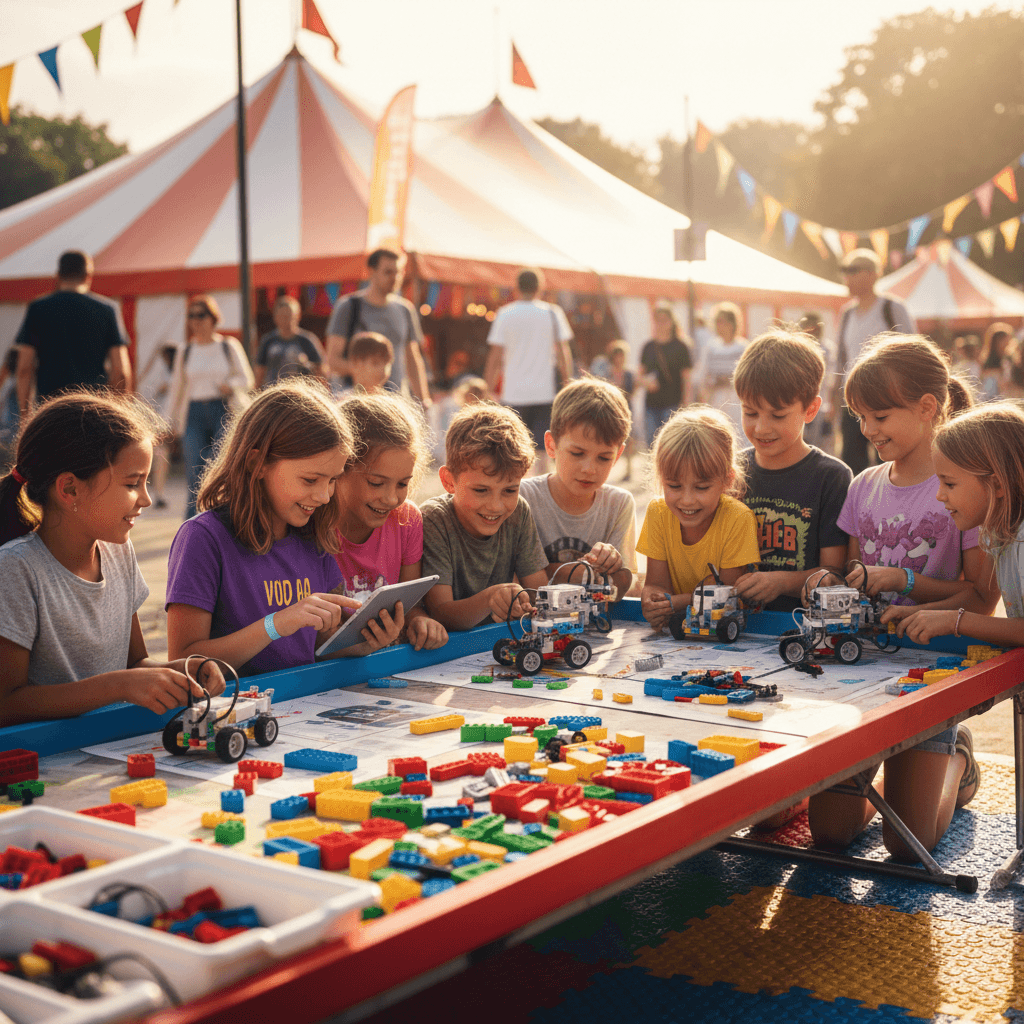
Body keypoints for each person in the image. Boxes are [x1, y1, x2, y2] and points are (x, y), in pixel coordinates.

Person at [809, 334, 1000, 861]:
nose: (867, 430)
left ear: (927, 408)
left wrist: (904, 582)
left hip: (928, 678)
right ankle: (888, 782)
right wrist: (833, 585)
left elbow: (981, 599)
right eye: (860, 417)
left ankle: (957, 761)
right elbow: (853, 577)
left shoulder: (962, 490)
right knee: (829, 833)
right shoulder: (862, 485)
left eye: (880, 417)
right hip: (860, 674)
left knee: (908, 847)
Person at [0, 392, 224, 726]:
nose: (146, 499)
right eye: (133, 483)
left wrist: (182, 669)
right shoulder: (16, 569)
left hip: (110, 747)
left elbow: (135, 665)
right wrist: (117, 685)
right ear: (70, 490)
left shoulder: (118, 551)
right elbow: (7, 704)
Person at [165, 380, 396, 676]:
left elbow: (316, 648)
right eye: (310, 480)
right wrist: (277, 624)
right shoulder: (203, 539)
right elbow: (184, 661)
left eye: (332, 479)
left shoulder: (315, 535)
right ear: (257, 463)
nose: (324, 496)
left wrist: (365, 642)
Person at [887, 401, 1024, 654]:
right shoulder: (998, 530)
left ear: (997, 486)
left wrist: (955, 621)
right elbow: (981, 598)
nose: (939, 496)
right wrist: (915, 614)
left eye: (949, 484)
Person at [731, 330, 852, 613]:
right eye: (750, 413)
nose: (761, 428)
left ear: (811, 410)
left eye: (778, 415)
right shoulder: (731, 471)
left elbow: (833, 574)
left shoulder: (832, 478)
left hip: (803, 624)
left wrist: (782, 582)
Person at [333, 391, 448, 651]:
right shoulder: (316, 527)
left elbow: (409, 606)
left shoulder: (406, 520)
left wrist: (420, 622)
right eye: (376, 483)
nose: (391, 498)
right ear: (340, 469)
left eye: (403, 484)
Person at [420, 402, 549, 630]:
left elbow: (540, 595)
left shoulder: (518, 511)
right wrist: (491, 599)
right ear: (449, 481)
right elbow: (440, 612)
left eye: (510, 490)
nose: (496, 506)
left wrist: (522, 603)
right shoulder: (435, 519)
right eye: (481, 490)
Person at [637, 406, 759, 631]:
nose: (687, 500)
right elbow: (655, 584)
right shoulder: (658, 512)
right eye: (674, 486)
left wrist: (672, 603)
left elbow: (726, 592)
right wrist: (651, 601)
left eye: (701, 487)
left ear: (727, 480)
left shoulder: (738, 519)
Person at [520, 377, 637, 600]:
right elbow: (513, 578)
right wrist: (587, 573)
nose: (589, 469)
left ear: (618, 456)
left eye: (603, 458)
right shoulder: (523, 497)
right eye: (577, 453)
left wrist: (615, 562)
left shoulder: (619, 504)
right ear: (551, 445)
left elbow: (622, 586)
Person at [167, 295, 255, 521]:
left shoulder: (228, 346)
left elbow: (247, 379)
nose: (196, 321)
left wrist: (231, 385)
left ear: (213, 318)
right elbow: (176, 388)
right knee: (194, 472)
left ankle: (223, 522)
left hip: (222, 409)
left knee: (221, 469)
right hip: (193, 411)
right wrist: (168, 421)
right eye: (191, 316)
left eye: (200, 315)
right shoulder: (184, 350)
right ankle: (192, 526)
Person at [14, 250, 132, 416]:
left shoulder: (38, 309)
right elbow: (120, 370)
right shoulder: (107, 310)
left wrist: (25, 416)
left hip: (51, 411)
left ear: (58, 276)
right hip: (93, 410)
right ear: (88, 276)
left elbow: (24, 368)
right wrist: (118, 415)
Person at [834, 248, 915, 475]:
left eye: (853, 271)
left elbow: (913, 353)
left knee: (889, 461)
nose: (847, 277)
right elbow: (840, 359)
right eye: (845, 272)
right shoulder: (846, 313)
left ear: (872, 274)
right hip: (852, 401)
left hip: (887, 398)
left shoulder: (892, 308)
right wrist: (834, 398)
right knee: (852, 462)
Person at [324, 249, 431, 407]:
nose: (395, 277)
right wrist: (368, 373)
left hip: (395, 403)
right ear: (371, 272)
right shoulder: (349, 307)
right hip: (355, 403)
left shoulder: (405, 309)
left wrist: (423, 399)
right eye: (388, 272)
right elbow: (332, 361)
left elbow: (412, 358)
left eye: (399, 272)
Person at [483, 268, 574, 451]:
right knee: (543, 449)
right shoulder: (552, 313)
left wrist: (486, 390)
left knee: (512, 449)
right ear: (540, 287)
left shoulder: (505, 314)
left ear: (516, 288)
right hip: (544, 393)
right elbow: (563, 353)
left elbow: (495, 357)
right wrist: (568, 385)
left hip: (513, 393)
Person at [639, 303, 692, 443]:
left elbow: (687, 378)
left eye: (664, 320)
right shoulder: (648, 347)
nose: (660, 324)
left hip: (673, 404)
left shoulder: (681, 347)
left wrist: (686, 403)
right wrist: (646, 382)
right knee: (651, 444)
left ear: (671, 322)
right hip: (651, 404)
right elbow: (639, 376)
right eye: (658, 320)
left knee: (670, 443)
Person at [135, 342, 179, 509]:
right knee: (161, 455)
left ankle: (158, 492)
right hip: (164, 420)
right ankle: (158, 493)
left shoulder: (174, 373)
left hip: (172, 419)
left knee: (161, 456)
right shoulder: (163, 373)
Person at [694, 302, 748, 435]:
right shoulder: (711, 347)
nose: (718, 326)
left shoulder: (743, 347)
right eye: (717, 322)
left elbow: (747, 376)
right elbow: (702, 375)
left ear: (732, 323)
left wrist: (729, 380)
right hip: (715, 400)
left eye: (722, 322)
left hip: (736, 401)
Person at [254, 296, 326, 387]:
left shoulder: (307, 340)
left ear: (298, 316)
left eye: (289, 316)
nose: (286, 320)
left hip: (300, 392)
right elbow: (260, 371)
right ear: (275, 317)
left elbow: (321, 370)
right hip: (273, 391)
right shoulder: (268, 341)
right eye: (282, 316)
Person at [797, 312, 837, 452]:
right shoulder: (798, 348)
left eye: (813, 327)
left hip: (823, 404)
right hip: (802, 404)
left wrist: (832, 404)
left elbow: (832, 379)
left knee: (823, 447)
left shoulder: (828, 349)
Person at [978, 322, 1015, 401]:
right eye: (1005, 340)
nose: (1008, 342)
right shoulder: (988, 361)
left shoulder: (1010, 359)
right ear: (996, 341)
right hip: (992, 398)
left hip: (1007, 397)